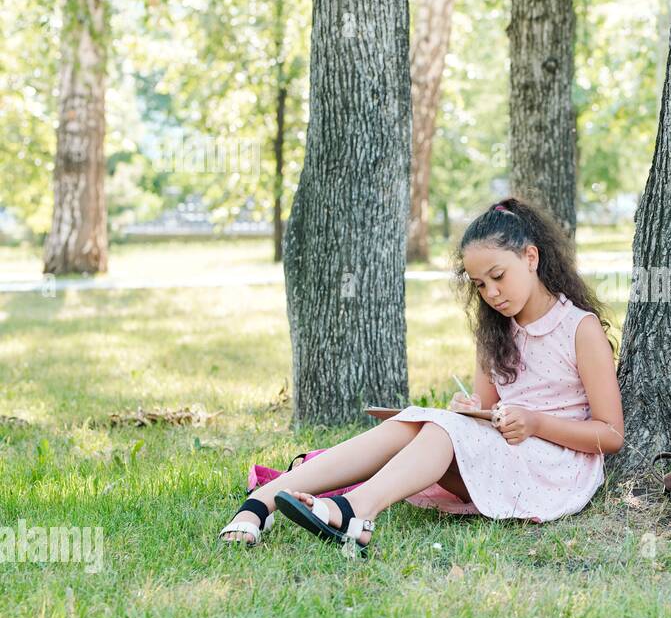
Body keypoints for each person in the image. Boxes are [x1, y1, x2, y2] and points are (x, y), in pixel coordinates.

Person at [218, 197, 623, 554]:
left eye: (498, 277)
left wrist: (534, 422)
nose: (492, 294)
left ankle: (354, 511)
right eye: (480, 285)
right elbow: (485, 408)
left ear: (531, 258)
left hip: (553, 471)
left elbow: (611, 435)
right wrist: (470, 411)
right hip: (500, 458)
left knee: (436, 427)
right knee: (413, 422)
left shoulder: (578, 328)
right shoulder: (497, 330)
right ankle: (263, 502)